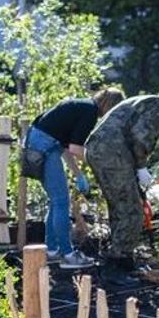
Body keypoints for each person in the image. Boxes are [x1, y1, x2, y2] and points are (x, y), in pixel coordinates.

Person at [85, 86, 159, 286]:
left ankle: (123, 261)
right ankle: (115, 266)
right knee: (131, 209)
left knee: (119, 205)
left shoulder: (142, 101)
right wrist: (141, 168)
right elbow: (140, 138)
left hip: (99, 151)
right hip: (113, 154)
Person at [25, 87, 125, 269]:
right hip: (44, 147)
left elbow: (66, 148)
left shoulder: (82, 106)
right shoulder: (89, 112)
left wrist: (79, 174)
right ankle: (68, 255)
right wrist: (100, 164)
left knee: (56, 202)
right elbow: (76, 150)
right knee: (61, 201)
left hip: (40, 144)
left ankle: (52, 251)